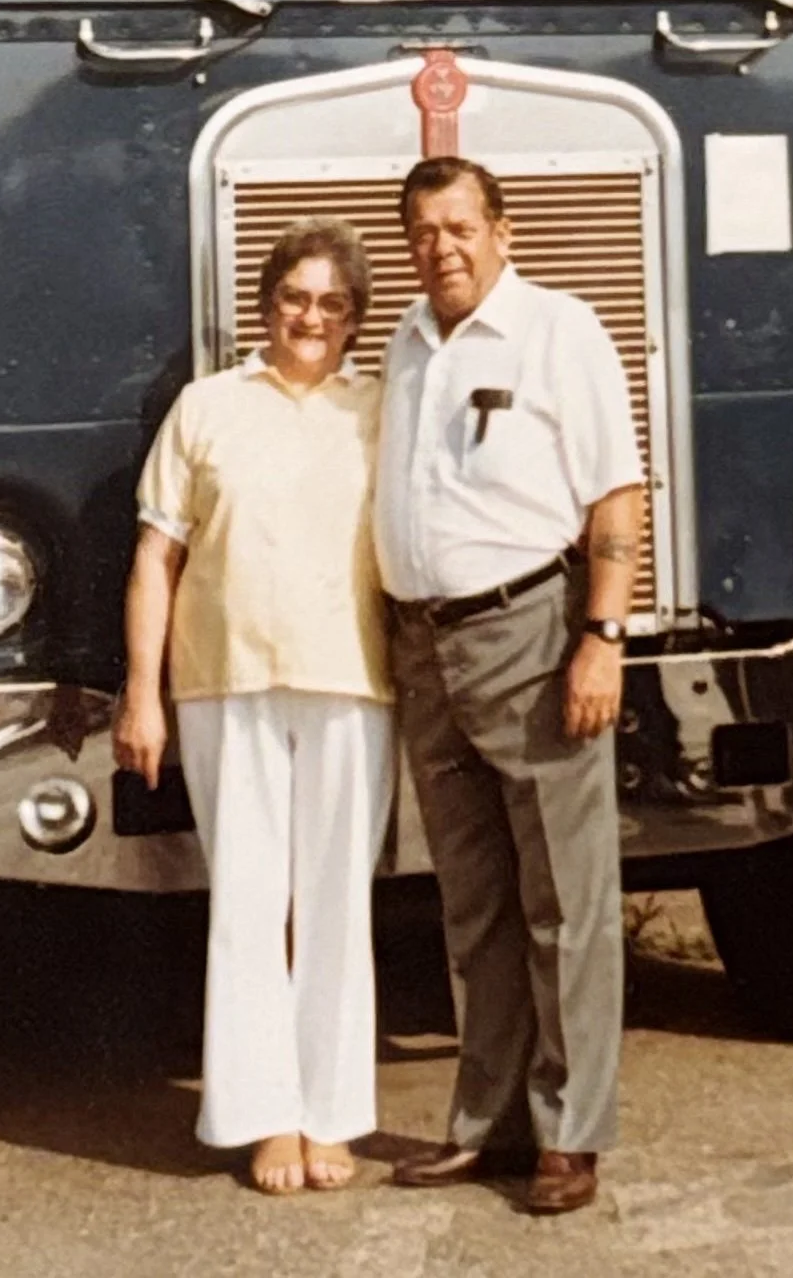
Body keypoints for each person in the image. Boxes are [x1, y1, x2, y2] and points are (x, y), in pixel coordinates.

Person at [376, 156, 647, 1217]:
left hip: (529, 633)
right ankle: (485, 1121)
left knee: (565, 902)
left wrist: (602, 638)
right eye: (421, 231)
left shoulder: (558, 331)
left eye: (457, 226)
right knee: (474, 901)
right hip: (424, 648)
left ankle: (570, 1132)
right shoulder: (404, 338)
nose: (439, 246)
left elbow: (614, 490)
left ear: (500, 230)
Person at [113, 219, 391, 1197]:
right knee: (247, 900)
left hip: (352, 681)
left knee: (333, 903)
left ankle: (329, 1111)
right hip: (222, 678)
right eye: (294, 297)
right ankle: (263, 1114)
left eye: (332, 302)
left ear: (354, 318)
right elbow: (156, 556)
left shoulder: (380, 409)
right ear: (265, 304)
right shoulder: (207, 407)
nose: (310, 316)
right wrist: (140, 693)